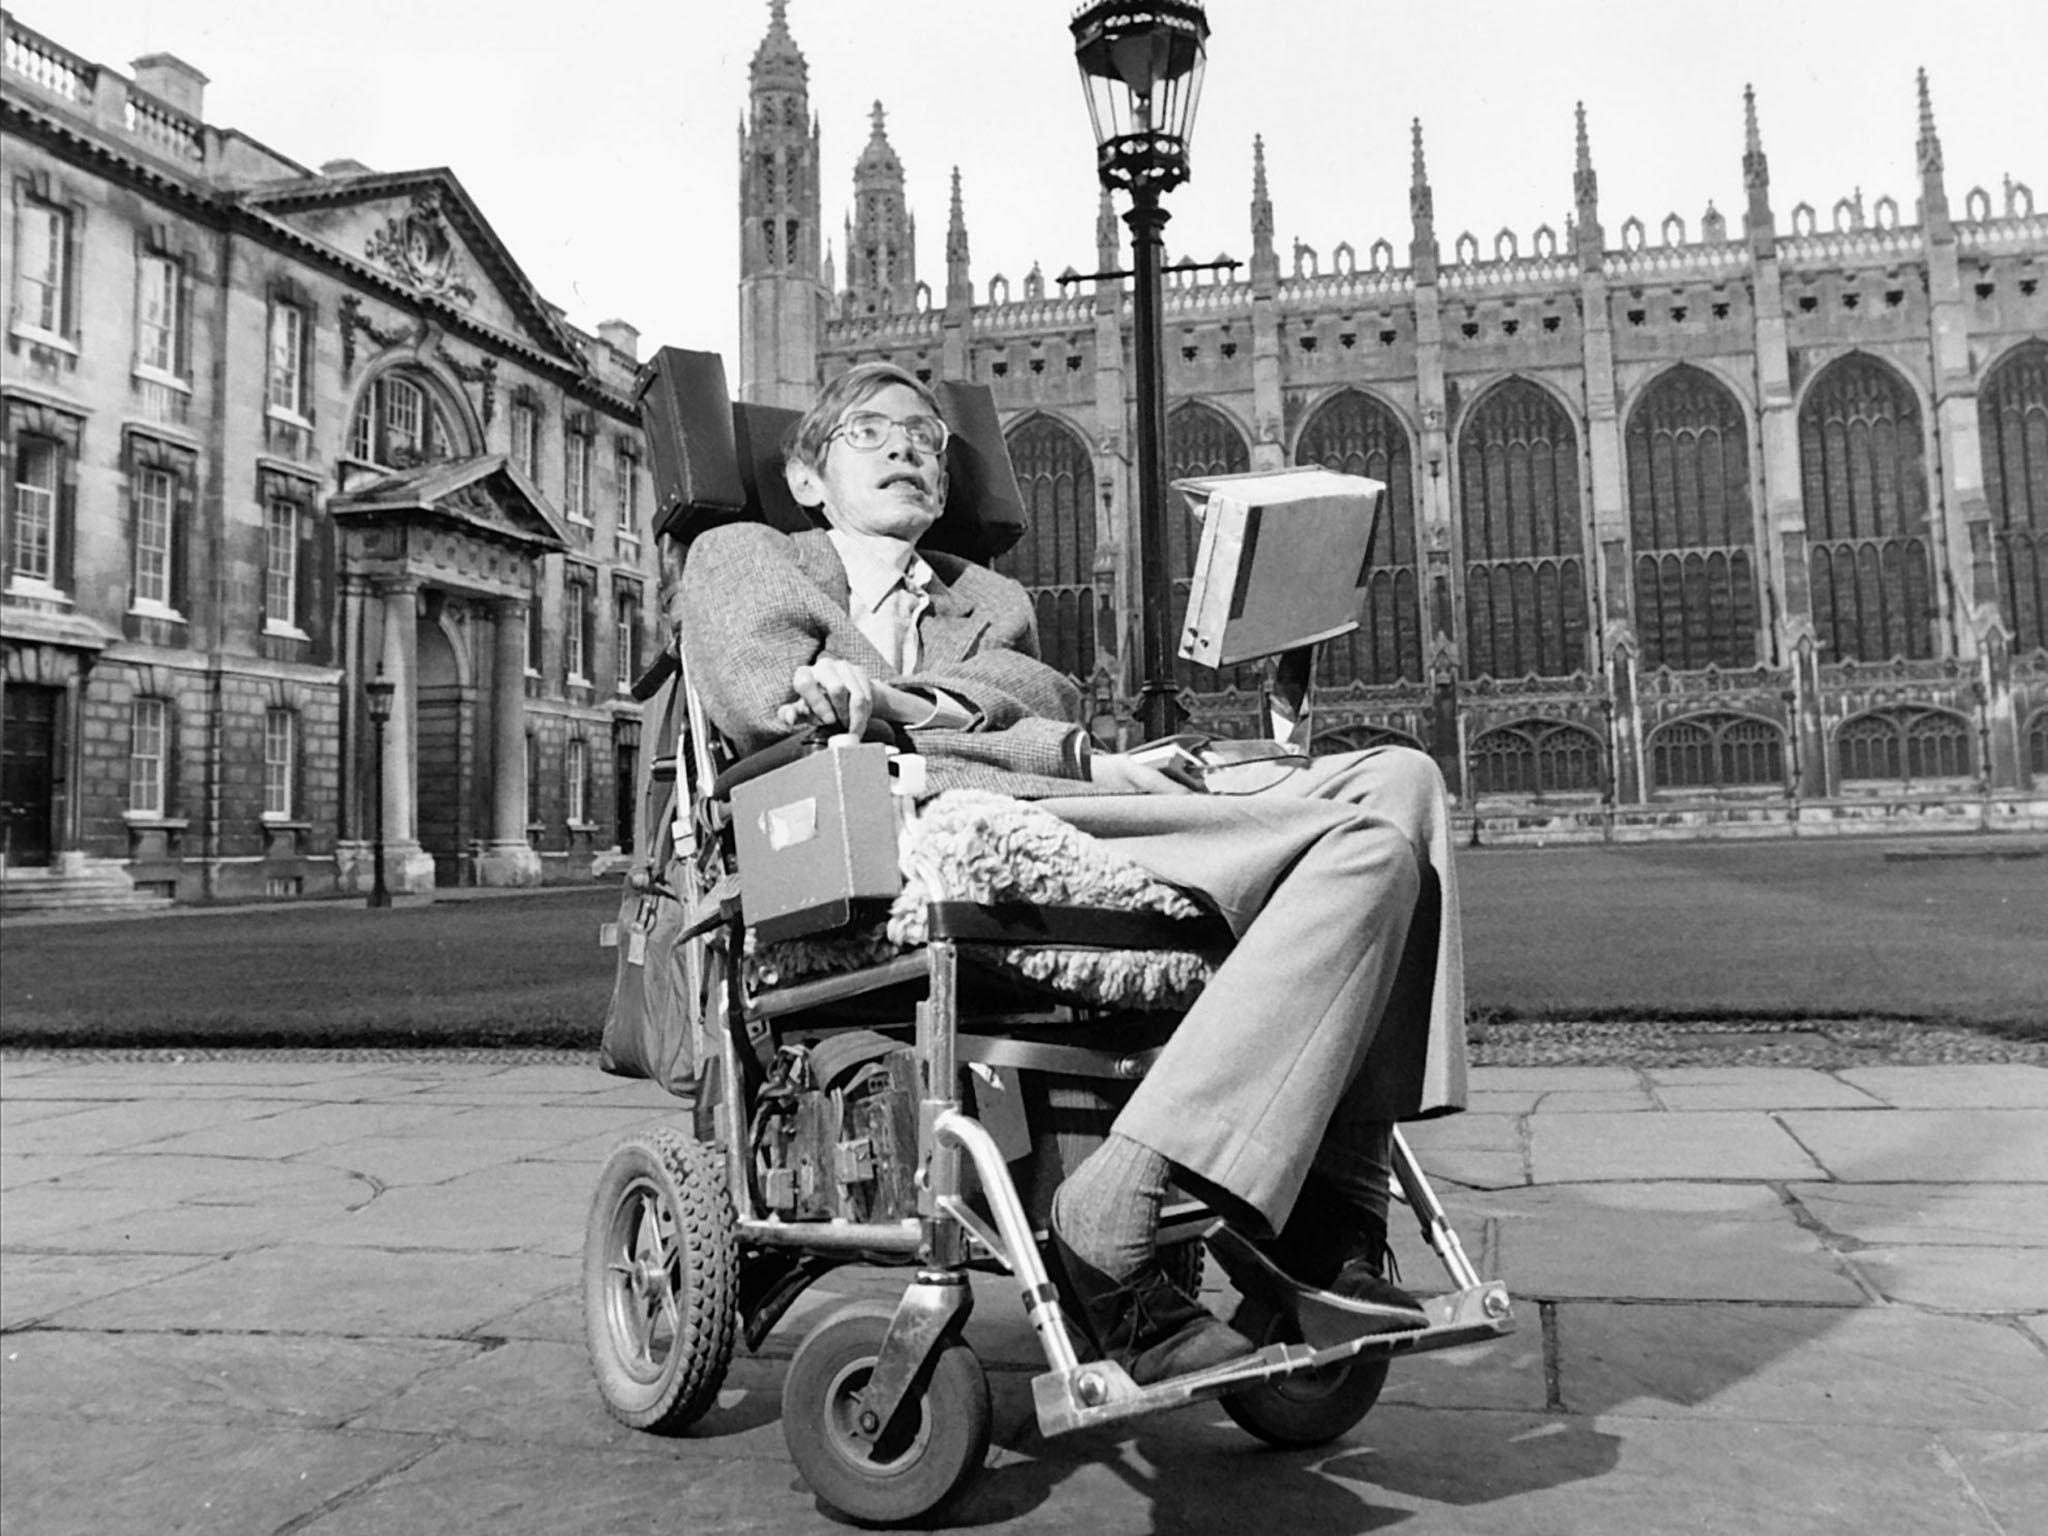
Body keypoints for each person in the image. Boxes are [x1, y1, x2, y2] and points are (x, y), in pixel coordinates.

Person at [679, 362, 1466, 1386]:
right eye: (868, 431)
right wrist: (959, 724)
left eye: (925, 434)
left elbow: (1039, 712)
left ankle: (1333, 1214)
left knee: (1396, 783)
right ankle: (1126, 1204)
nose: (907, 447)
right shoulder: (747, 554)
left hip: (1071, 801)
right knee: (1362, 858)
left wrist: (895, 705)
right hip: (894, 827)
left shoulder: (990, 598)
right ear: (806, 478)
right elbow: (761, 700)